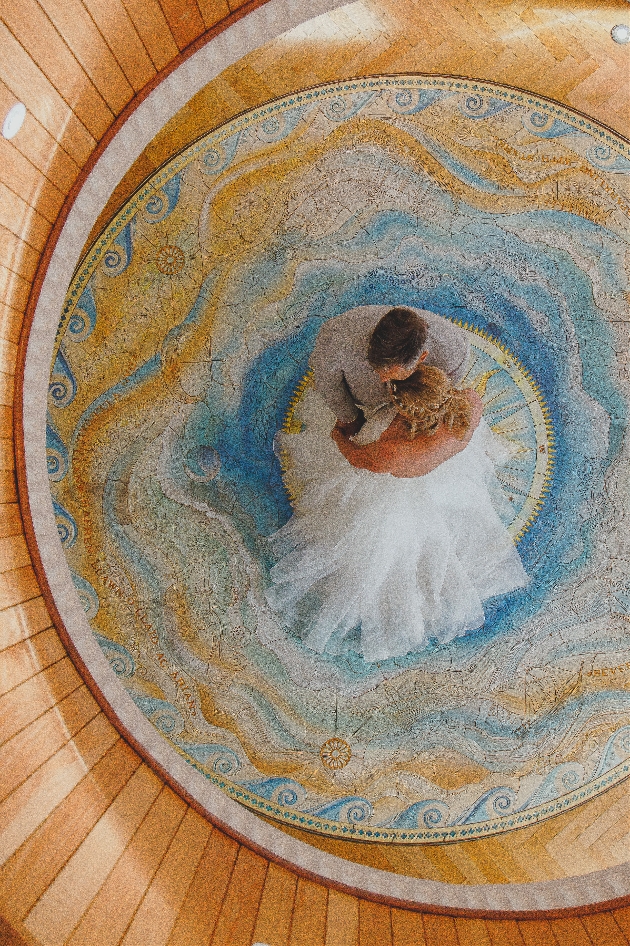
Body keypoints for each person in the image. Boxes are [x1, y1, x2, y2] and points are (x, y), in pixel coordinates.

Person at [267, 364, 528, 663]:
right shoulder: (468, 403)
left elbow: (355, 458)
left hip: (397, 497)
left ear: (408, 413)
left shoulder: (393, 450)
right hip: (449, 476)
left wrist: (338, 434)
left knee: (376, 556)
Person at [310, 305, 470, 444]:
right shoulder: (334, 338)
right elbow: (327, 383)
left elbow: (441, 396)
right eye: (376, 370)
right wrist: (350, 417)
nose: (383, 379)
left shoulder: (453, 353)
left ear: (422, 357)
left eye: (390, 374)